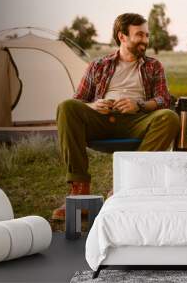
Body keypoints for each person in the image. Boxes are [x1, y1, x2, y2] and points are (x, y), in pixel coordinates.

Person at [52, 13, 179, 220]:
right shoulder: (98, 65)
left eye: (146, 35)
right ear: (122, 37)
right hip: (101, 120)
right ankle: (80, 194)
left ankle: (125, 188)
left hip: (136, 121)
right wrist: (94, 106)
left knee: (169, 117)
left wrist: (138, 105)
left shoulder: (153, 66)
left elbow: (164, 99)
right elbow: (79, 99)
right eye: (139, 35)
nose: (145, 40)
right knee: (67, 107)